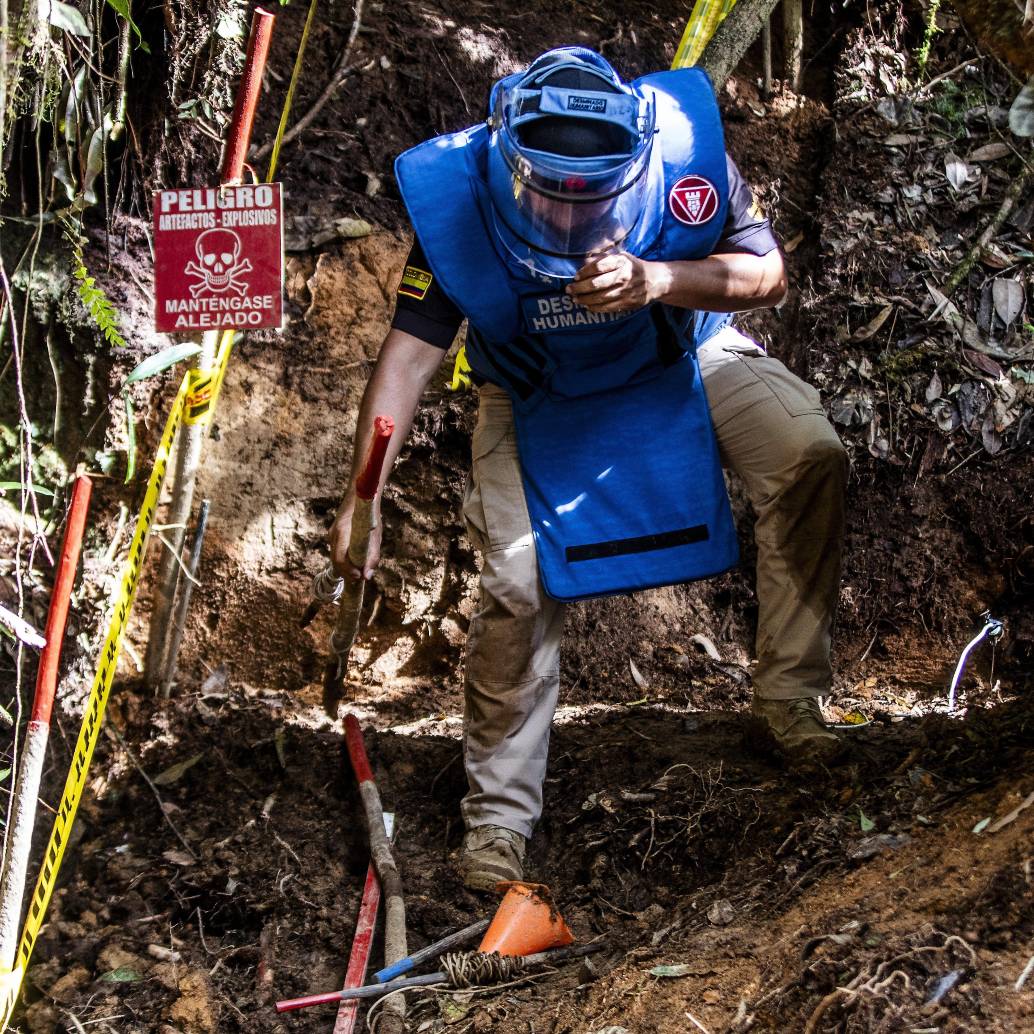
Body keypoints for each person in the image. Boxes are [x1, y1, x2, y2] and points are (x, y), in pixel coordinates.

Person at [329, 47, 848, 892]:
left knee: (808, 452)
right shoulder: (460, 201)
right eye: (549, 194)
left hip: (679, 351)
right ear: (511, 161)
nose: (570, 217)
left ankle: (789, 697)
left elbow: (768, 275)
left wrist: (660, 278)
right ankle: (499, 819)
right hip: (532, 385)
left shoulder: (688, 157)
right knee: (515, 579)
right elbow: (410, 358)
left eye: (592, 196)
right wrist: (366, 496)